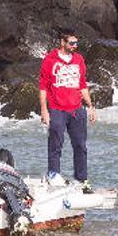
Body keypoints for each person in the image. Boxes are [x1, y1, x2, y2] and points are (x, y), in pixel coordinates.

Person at [39, 30, 97, 193]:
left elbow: (82, 85)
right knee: (56, 144)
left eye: (76, 43)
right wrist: (44, 109)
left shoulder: (79, 60)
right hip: (57, 109)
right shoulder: (50, 60)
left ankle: (82, 180)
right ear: (62, 42)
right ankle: (53, 174)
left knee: (80, 145)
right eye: (71, 43)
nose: (74, 46)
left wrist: (91, 106)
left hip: (77, 110)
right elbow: (43, 87)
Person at [0, 149, 32, 236]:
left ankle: (16, 217)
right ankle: (19, 218)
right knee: (17, 198)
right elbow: (25, 190)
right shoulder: (10, 171)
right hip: (8, 190)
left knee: (8, 194)